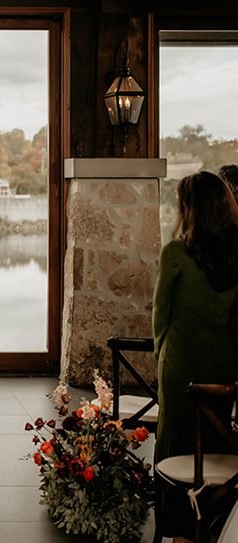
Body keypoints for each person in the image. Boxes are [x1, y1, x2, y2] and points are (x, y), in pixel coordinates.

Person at [153, 171, 238, 541]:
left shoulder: (175, 254)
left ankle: (178, 531)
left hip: (180, 369)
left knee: (175, 442)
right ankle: (215, 525)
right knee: (219, 445)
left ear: (189, 209)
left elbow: (160, 317)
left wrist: (161, 358)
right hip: (225, 368)